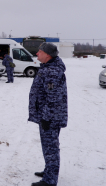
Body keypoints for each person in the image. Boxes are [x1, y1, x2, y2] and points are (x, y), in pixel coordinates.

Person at [28, 43, 67, 186]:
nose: (37, 53)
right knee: (48, 146)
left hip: (49, 117)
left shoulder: (51, 72)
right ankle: (49, 170)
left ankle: (50, 181)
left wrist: (46, 118)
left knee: (51, 147)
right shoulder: (49, 68)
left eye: (40, 51)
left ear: (48, 55)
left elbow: (53, 99)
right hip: (48, 116)